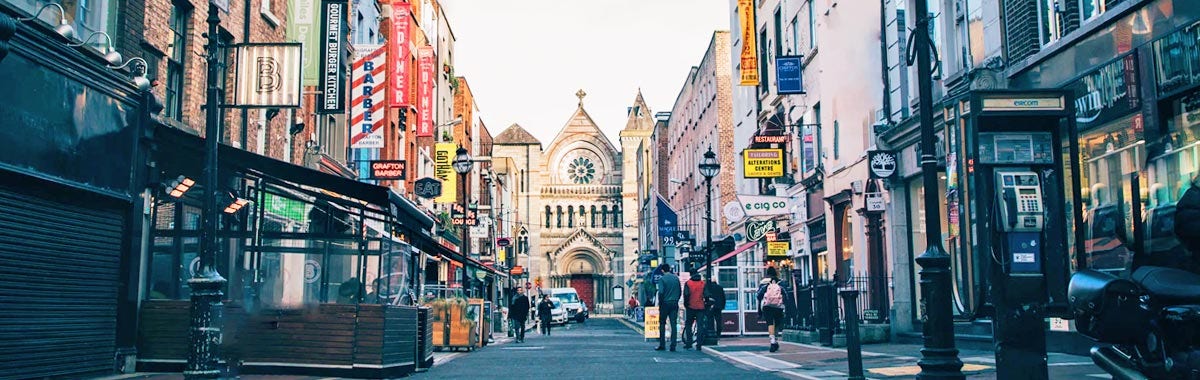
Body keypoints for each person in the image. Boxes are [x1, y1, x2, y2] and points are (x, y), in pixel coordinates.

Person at [655, 264, 682, 352]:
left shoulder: (662, 279)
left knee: (662, 323)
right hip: (674, 303)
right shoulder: (676, 278)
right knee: (673, 323)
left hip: (665, 303)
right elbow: (679, 291)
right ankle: (673, 345)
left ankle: (662, 344)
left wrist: (660, 304)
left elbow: (661, 292)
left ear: (662, 270)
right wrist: (676, 300)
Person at [757, 267, 785, 352]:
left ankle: (772, 341)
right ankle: (776, 340)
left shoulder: (763, 282)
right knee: (776, 323)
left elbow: (759, 295)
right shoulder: (780, 282)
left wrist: (759, 311)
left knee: (770, 323)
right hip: (778, 306)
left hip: (767, 306)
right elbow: (785, 293)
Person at [682, 273, 707, 350]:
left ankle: (689, 342)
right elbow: (706, 294)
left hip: (690, 306)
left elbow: (686, 295)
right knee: (700, 325)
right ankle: (699, 344)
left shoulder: (688, 283)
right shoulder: (703, 283)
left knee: (688, 324)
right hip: (700, 307)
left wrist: (686, 304)